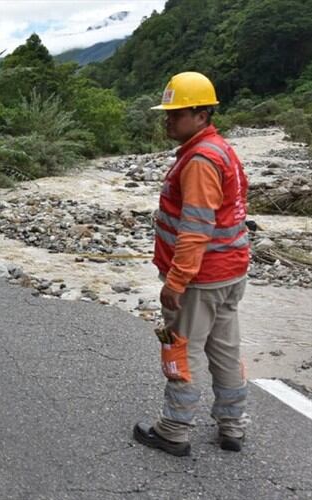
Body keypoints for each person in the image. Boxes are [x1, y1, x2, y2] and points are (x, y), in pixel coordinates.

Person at [133, 72, 250, 457]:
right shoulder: (220, 149)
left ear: (201, 115)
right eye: (167, 113)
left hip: (201, 278)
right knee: (225, 350)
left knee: (180, 349)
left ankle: (173, 430)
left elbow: (196, 228)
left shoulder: (199, 160)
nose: (167, 120)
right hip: (230, 271)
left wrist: (176, 281)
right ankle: (232, 426)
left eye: (176, 113)